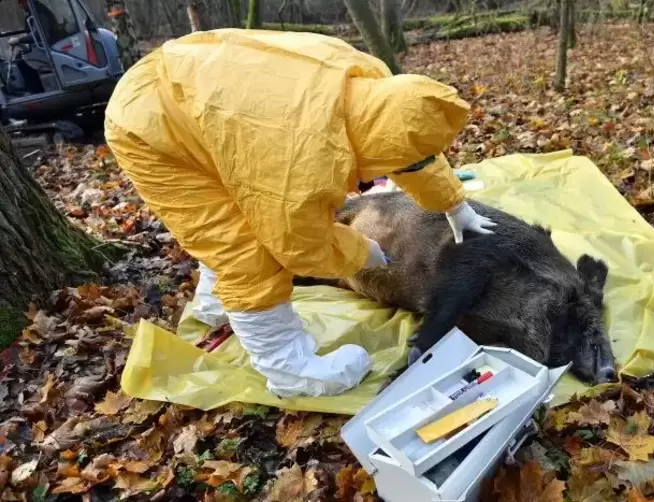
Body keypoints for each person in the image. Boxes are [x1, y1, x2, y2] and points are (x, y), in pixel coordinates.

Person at [104, 29, 496, 398]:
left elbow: (408, 146)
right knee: (240, 246)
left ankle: (215, 305)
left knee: (239, 218)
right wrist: (361, 252)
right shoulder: (302, 160)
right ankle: (289, 370)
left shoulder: (376, 87)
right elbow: (298, 244)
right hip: (150, 124)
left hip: (197, 86)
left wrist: (454, 204)